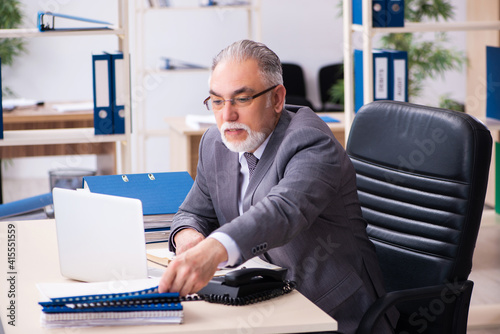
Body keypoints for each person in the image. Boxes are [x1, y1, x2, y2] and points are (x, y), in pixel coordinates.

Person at [159, 39, 397, 333]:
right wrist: (188, 237)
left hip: (332, 311)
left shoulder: (311, 143)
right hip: (261, 303)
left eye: (242, 99)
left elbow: (282, 212)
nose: (227, 115)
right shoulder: (215, 143)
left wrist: (214, 249)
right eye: (217, 101)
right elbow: (193, 211)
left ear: (277, 98)